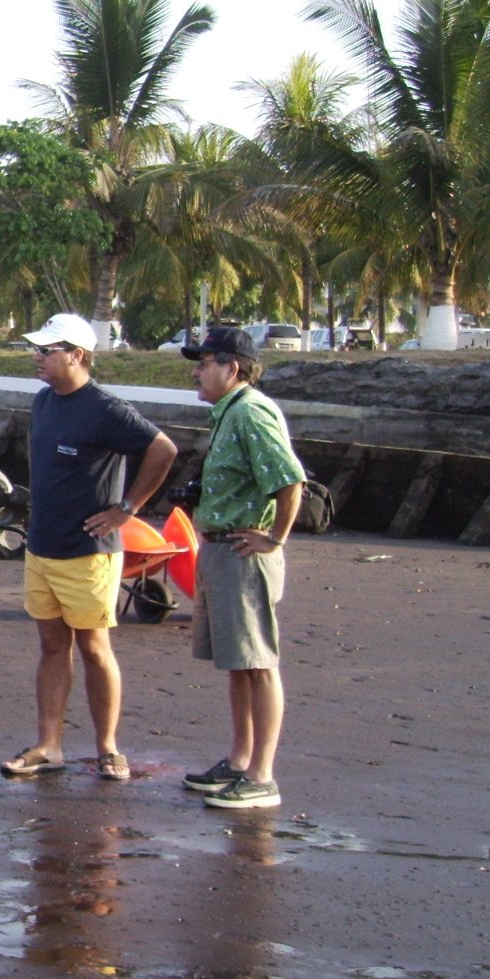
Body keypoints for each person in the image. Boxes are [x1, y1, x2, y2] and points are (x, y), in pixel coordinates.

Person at [0, 312, 178, 783]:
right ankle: (48, 745)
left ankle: (107, 749)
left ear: (77, 355)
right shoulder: (43, 402)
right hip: (42, 546)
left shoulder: (105, 408)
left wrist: (128, 508)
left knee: (95, 648)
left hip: (89, 549)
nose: (37, 358)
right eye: (36, 350)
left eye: (46, 350)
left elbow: (163, 449)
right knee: (51, 646)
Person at [181, 326, 306, 810]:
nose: (197, 370)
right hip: (220, 547)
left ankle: (262, 775)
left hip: (243, 552)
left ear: (232, 368)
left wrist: (274, 538)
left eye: (205, 361)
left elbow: (290, 480)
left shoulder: (252, 411)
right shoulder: (228, 413)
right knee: (237, 663)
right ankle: (238, 761)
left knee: (258, 663)